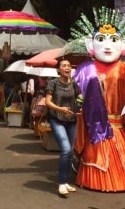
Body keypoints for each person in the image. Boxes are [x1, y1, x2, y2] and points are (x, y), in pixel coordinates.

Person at [73, 11, 125, 192]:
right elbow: (81, 110)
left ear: (124, 45)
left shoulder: (124, 69)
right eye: (101, 39)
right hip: (94, 129)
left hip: (117, 129)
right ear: (90, 44)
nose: (107, 45)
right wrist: (78, 144)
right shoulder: (85, 69)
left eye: (113, 40)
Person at [45, 59, 80, 197]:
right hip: (57, 119)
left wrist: (79, 108)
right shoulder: (53, 83)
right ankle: (61, 183)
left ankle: (65, 182)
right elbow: (48, 102)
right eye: (64, 65)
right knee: (65, 149)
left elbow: (78, 99)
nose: (67, 67)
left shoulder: (74, 84)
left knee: (70, 151)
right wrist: (61, 109)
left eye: (69, 65)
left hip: (71, 120)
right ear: (59, 69)